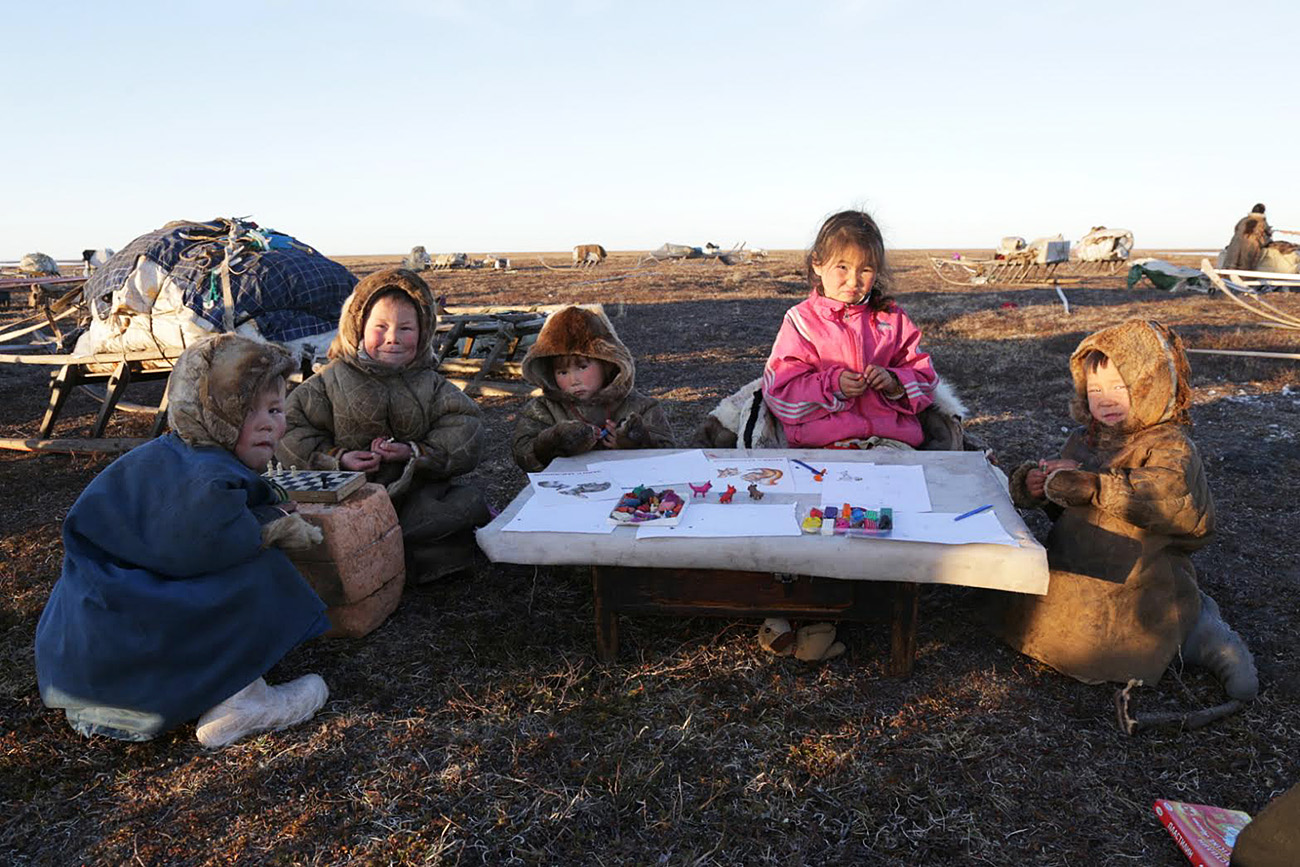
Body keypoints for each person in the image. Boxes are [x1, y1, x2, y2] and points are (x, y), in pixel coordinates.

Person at [35, 334, 331, 748]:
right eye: (246, 410)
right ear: (211, 413)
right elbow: (211, 540)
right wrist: (274, 523)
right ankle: (241, 700)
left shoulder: (166, 456)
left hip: (79, 673)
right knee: (261, 569)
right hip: (136, 694)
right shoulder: (208, 477)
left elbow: (176, 538)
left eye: (276, 409)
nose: (269, 423)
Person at [998, 320, 1258, 702]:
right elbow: (1073, 512)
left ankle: (1199, 628)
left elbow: (1168, 500)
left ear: (1152, 387)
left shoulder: (1170, 445)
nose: (1106, 399)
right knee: (1035, 619)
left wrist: (1094, 485)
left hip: (1142, 576)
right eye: (1095, 389)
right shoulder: (1084, 438)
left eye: (1121, 387)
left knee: (1142, 632)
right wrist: (1042, 489)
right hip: (1082, 567)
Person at [279, 268, 490, 583]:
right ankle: (400, 557)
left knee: (466, 502)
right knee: (332, 528)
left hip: (416, 494)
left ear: (424, 331)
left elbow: (464, 424)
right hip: (349, 495)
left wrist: (413, 453)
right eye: (380, 327)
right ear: (358, 327)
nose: (393, 337)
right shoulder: (330, 380)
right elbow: (290, 428)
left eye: (406, 328)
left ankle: (398, 556)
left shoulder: (429, 383)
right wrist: (338, 458)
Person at [762, 209, 938, 449]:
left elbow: (926, 379)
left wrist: (894, 382)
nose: (853, 281)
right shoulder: (801, 322)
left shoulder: (893, 319)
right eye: (842, 267)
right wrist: (832, 386)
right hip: (823, 443)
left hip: (891, 441)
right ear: (818, 264)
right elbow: (780, 391)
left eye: (865, 270)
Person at [512, 305, 675, 471]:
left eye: (582, 367)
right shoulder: (542, 410)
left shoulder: (641, 407)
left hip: (631, 490)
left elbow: (668, 453)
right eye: (562, 372)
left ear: (607, 364)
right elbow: (523, 456)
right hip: (565, 492)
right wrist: (554, 441)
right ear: (548, 372)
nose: (574, 380)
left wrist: (635, 442)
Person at [1221, 203, 1273, 271]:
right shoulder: (1262, 222)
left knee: (1231, 263)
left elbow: (1236, 230)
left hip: (1235, 244)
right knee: (1246, 265)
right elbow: (1265, 237)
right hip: (1251, 247)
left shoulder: (1243, 220)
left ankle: (1228, 276)